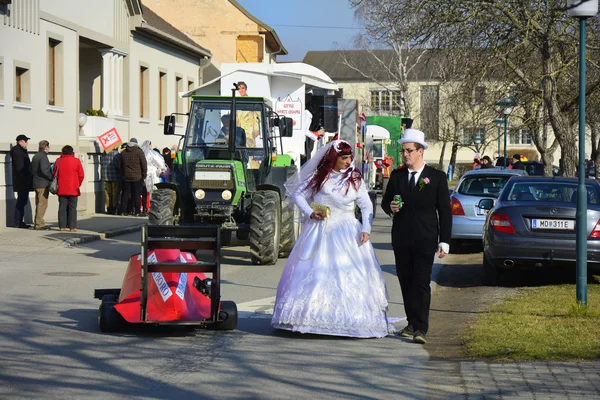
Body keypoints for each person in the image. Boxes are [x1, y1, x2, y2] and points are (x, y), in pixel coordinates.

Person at [271, 139, 391, 338]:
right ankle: (309, 317)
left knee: (349, 274)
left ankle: (351, 319)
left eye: (349, 157)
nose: (348, 161)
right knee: (315, 273)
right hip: (320, 230)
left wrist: (366, 228)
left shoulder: (355, 178)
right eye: (344, 158)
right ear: (334, 158)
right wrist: (310, 213)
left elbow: (366, 205)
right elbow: (299, 195)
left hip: (347, 231)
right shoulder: (319, 177)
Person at [381, 129, 452, 344]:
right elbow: (386, 203)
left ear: (420, 151)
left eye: (409, 151)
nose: (405, 155)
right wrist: (391, 207)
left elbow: (445, 211)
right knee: (406, 281)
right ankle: (411, 322)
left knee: (421, 282)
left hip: (425, 238)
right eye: (403, 151)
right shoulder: (398, 176)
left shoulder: (436, 177)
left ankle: (421, 328)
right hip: (402, 238)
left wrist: (445, 241)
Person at [54, 145, 84, 232]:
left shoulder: (58, 161)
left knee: (62, 207)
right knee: (72, 208)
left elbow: (54, 173)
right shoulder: (76, 161)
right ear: (72, 152)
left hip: (61, 188)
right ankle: (72, 227)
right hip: (74, 188)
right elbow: (81, 175)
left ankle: (62, 227)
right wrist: (78, 184)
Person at [119, 138, 147, 216]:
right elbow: (144, 164)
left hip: (126, 177)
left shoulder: (123, 153)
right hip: (137, 177)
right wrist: (144, 175)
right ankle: (137, 212)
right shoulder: (139, 152)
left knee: (125, 194)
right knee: (137, 195)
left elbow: (120, 166)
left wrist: (123, 175)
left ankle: (123, 211)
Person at [10, 134, 33, 229]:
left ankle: (19, 221)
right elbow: (20, 167)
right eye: (26, 141)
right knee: (21, 201)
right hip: (22, 181)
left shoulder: (20, 150)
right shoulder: (17, 151)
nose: (27, 143)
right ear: (21, 142)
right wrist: (26, 176)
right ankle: (18, 221)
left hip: (23, 181)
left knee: (22, 201)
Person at [141, 140, 167, 216]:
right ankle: (151, 208)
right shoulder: (153, 154)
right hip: (152, 175)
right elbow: (160, 163)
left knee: (144, 193)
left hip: (143, 175)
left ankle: (144, 208)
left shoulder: (141, 153)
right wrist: (162, 168)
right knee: (153, 191)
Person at [31, 140, 53, 230]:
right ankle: (39, 224)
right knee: (43, 204)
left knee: (38, 203)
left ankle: (37, 222)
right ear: (46, 147)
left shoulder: (35, 156)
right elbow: (44, 170)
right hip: (43, 183)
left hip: (36, 182)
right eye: (48, 147)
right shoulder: (43, 157)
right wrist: (51, 177)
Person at [235, 81, 260, 147]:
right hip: (240, 128)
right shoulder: (237, 102)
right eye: (239, 89)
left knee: (250, 146)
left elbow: (256, 116)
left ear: (245, 89)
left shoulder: (251, 101)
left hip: (250, 129)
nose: (241, 90)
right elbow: (236, 117)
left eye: (242, 88)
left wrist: (256, 129)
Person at [101, 147, 121, 215]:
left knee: (108, 193)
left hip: (106, 177)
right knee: (115, 194)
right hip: (115, 177)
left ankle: (109, 208)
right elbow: (119, 165)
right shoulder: (117, 155)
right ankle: (114, 208)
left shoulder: (104, 154)